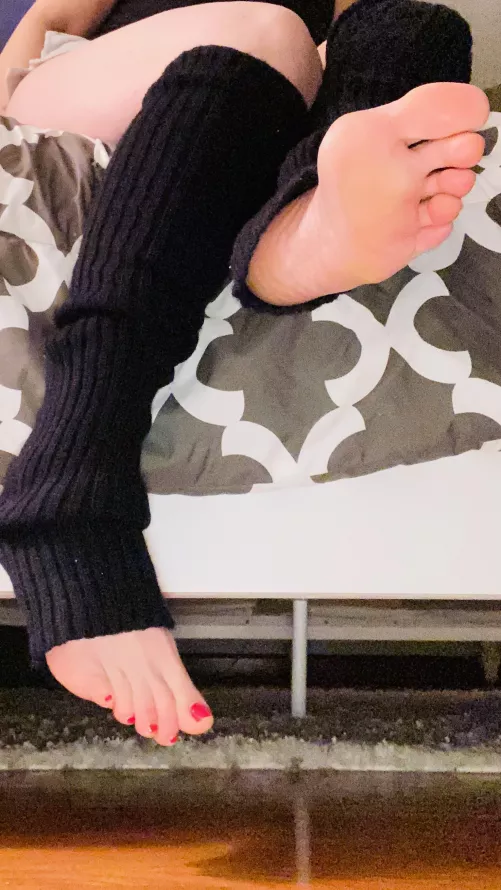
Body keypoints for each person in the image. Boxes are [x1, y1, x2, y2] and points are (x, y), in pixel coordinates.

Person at [0, 0, 489, 747]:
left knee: (412, 27)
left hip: (266, 113)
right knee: (264, 33)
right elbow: (47, 21)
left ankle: (302, 236)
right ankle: (68, 488)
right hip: (100, 83)